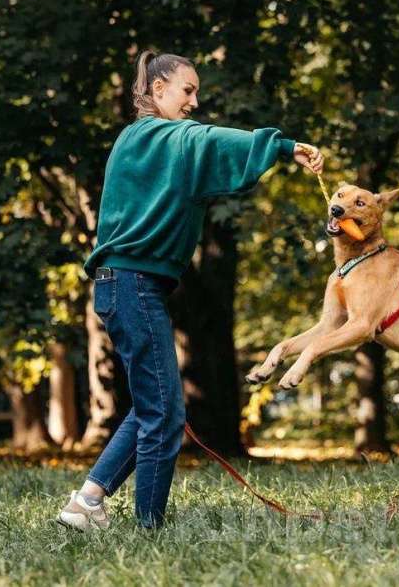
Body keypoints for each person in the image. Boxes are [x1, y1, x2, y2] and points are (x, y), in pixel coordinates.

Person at [56, 50, 323, 530]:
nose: (194, 101)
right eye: (187, 90)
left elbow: (200, 147)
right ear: (157, 89)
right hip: (132, 285)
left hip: (125, 286)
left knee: (154, 404)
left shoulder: (141, 140)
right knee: (165, 412)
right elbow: (209, 140)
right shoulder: (161, 135)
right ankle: (149, 529)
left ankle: (87, 501)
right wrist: (284, 148)